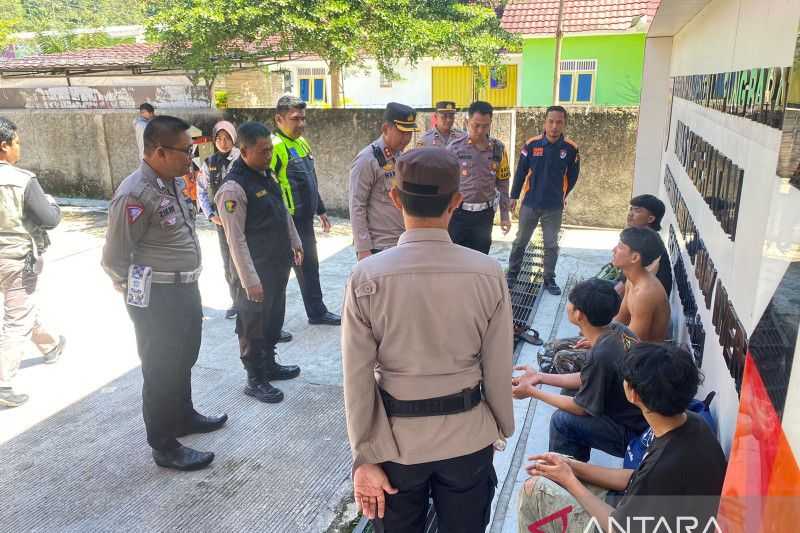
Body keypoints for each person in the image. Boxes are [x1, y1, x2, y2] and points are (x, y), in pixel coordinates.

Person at [342, 147, 515, 532]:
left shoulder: (366, 277)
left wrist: (364, 455)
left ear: (394, 197)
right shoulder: (487, 273)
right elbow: (498, 365)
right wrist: (499, 426)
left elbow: (356, 377)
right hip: (468, 436)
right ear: (457, 200)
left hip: (395, 445)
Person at [102, 116, 227, 471]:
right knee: (160, 368)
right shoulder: (134, 193)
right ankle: (163, 444)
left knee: (184, 356)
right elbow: (113, 258)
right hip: (157, 296)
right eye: (186, 150)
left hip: (184, 288)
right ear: (159, 151)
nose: (192, 157)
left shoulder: (169, 181)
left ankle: (183, 416)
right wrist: (139, 296)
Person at [517, 344, 727, 533]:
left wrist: (570, 480)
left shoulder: (664, 464)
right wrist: (570, 466)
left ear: (633, 394)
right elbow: (635, 477)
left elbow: (619, 528)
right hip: (643, 512)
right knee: (552, 471)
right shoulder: (691, 422)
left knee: (535, 490)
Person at [215, 122, 303, 405]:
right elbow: (235, 239)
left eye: (270, 150)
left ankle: (270, 365)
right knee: (252, 325)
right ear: (244, 150)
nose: (268, 155)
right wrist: (249, 280)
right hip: (252, 271)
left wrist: (295, 241)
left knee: (274, 318)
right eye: (263, 151)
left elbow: (282, 213)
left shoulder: (266, 175)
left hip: (276, 266)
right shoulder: (233, 188)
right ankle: (255, 379)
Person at [512, 279, 646, 462]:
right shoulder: (620, 330)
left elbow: (581, 408)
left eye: (571, 302)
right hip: (640, 416)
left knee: (562, 421)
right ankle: (575, 465)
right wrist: (540, 377)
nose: (568, 305)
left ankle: (564, 477)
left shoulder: (600, 355)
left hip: (635, 433)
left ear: (579, 315)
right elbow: (587, 378)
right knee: (569, 392)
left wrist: (531, 391)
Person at [0, 117, 65, 408]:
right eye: (17, 143)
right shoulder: (21, 180)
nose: (19, 148)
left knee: (22, 307)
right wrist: (53, 204)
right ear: (4, 147)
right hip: (14, 258)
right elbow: (49, 219)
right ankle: (3, 382)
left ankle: (49, 344)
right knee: (18, 317)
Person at [271, 95, 340, 326]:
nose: (301, 124)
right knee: (278, 275)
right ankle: (271, 326)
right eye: (295, 119)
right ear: (279, 119)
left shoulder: (301, 143)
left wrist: (320, 209)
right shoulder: (274, 148)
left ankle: (317, 312)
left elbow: (310, 179)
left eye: (303, 118)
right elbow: (268, 188)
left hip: (304, 220)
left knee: (310, 267)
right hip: (284, 224)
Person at [507, 106, 580, 295]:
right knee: (520, 241)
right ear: (544, 122)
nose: (554, 126)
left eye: (559, 122)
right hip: (530, 204)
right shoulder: (531, 145)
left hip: (554, 207)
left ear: (564, 124)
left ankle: (549, 279)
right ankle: (512, 275)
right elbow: (521, 172)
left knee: (551, 244)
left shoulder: (570, 149)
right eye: (551, 121)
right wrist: (514, 196)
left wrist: (562, 195)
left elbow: (572, 177)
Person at [349, 102, 418, 260]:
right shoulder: (367, 160)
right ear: (386, 129)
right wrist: (363, 249)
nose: (406, 138)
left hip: (402, 242)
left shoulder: (400, 157)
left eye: (410, 133)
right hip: (379, 247)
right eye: (402, 132)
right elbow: (357, 205)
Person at [446, 100, 512, 254]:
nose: (481, 130)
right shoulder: (454, 149)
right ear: (467, 122)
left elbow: (503, 183)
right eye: (476, 125)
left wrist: (504, 215)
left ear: (490, 123)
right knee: (455, 258)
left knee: (480, 258)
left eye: (485, 125)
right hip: (458, 215)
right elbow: (444, 184)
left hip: (484, 216)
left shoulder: (498, 149)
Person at [197, 120, 241, 320]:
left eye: (227, 138)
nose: (223, 142)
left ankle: (249, 299)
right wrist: (210, 215)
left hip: (243, 220)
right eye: (219, 138)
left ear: (234, 138)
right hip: (222, 222)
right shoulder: (209, 163)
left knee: (245, 259)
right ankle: (236, 301)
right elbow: (200, 190)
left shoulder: (243, 157)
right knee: (228, 262)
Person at [612, 227, 670, 342]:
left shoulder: (644, 293)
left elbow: (632, 343)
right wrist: (599, 337)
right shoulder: (632, 280)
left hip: (643, 357)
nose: (613, 250)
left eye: (620, 247)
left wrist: (602, 344)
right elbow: (620, 319)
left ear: (635, 258)